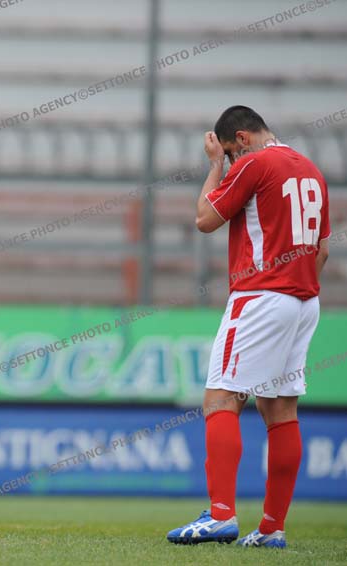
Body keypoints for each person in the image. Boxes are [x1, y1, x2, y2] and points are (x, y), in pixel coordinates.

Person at [167, 106, 330, 548]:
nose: (230, 160)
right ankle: (273, 528)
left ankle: (221, 515)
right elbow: (322, 250)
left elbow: (205, 219)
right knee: (280, 410)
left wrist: (215, 166)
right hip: (304, 299)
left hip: (261, 296)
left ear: (240, 138)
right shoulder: (311, 170)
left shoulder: (254, 162)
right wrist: (296, 288)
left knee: (221, 398)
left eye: (229, 152)